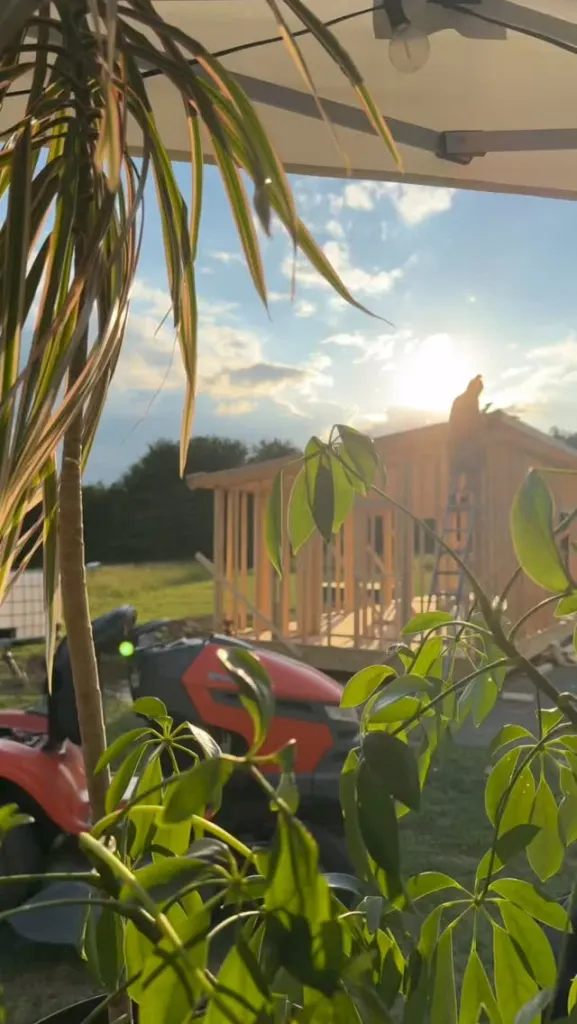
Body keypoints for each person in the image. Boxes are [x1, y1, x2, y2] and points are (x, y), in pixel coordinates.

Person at [447, 375, 486, 498]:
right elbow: (473, 421)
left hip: (454, 445)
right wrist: (482, 417)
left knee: (456, 472)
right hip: (465, 443)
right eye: (479, 391)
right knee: (474, 467)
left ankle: (454, 495)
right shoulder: (472, 400)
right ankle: (466, 494)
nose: (479, 394)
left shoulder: (458, 399)